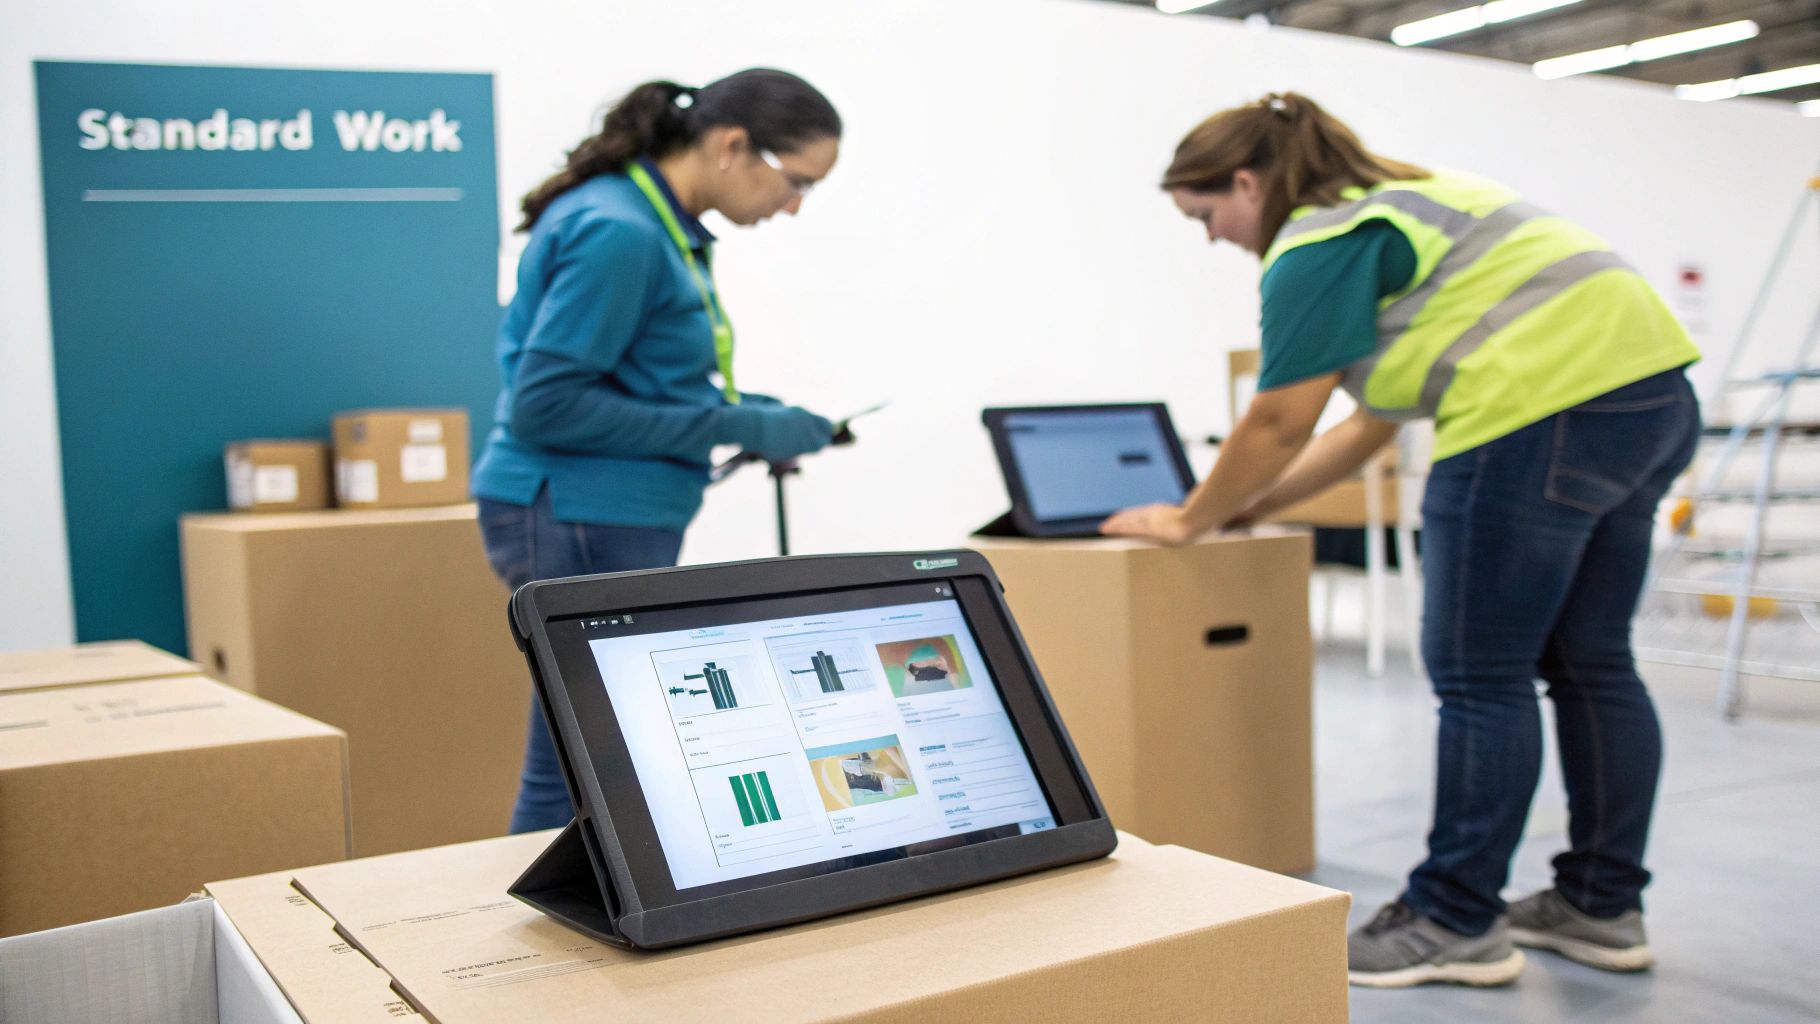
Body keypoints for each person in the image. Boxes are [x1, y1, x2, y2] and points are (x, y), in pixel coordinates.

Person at [1102, 92, 1700, 988]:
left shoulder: (1315, 242)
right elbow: (1364, 428)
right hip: (1651, 402)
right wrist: (1242, 513)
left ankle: (1454, 918)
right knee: (1592, 663)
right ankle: (1601, 906)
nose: (1215, 237)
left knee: (1480, 676)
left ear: (1246, 179)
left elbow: (1277, 421)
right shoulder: (1411, 202)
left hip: (1531, 420)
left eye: (1206, 215)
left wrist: (1189, 519)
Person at [473, 69, 843, 833]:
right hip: (574, 507)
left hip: (604, 509)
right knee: (577, 770)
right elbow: (548, 407)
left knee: (592, 764)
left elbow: (636, 380)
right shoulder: (624, 232)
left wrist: (746, 411)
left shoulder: (652, 223)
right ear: (733, 146)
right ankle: (529, 953)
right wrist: (731, 427)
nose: (797, 205)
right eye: (797, 180)